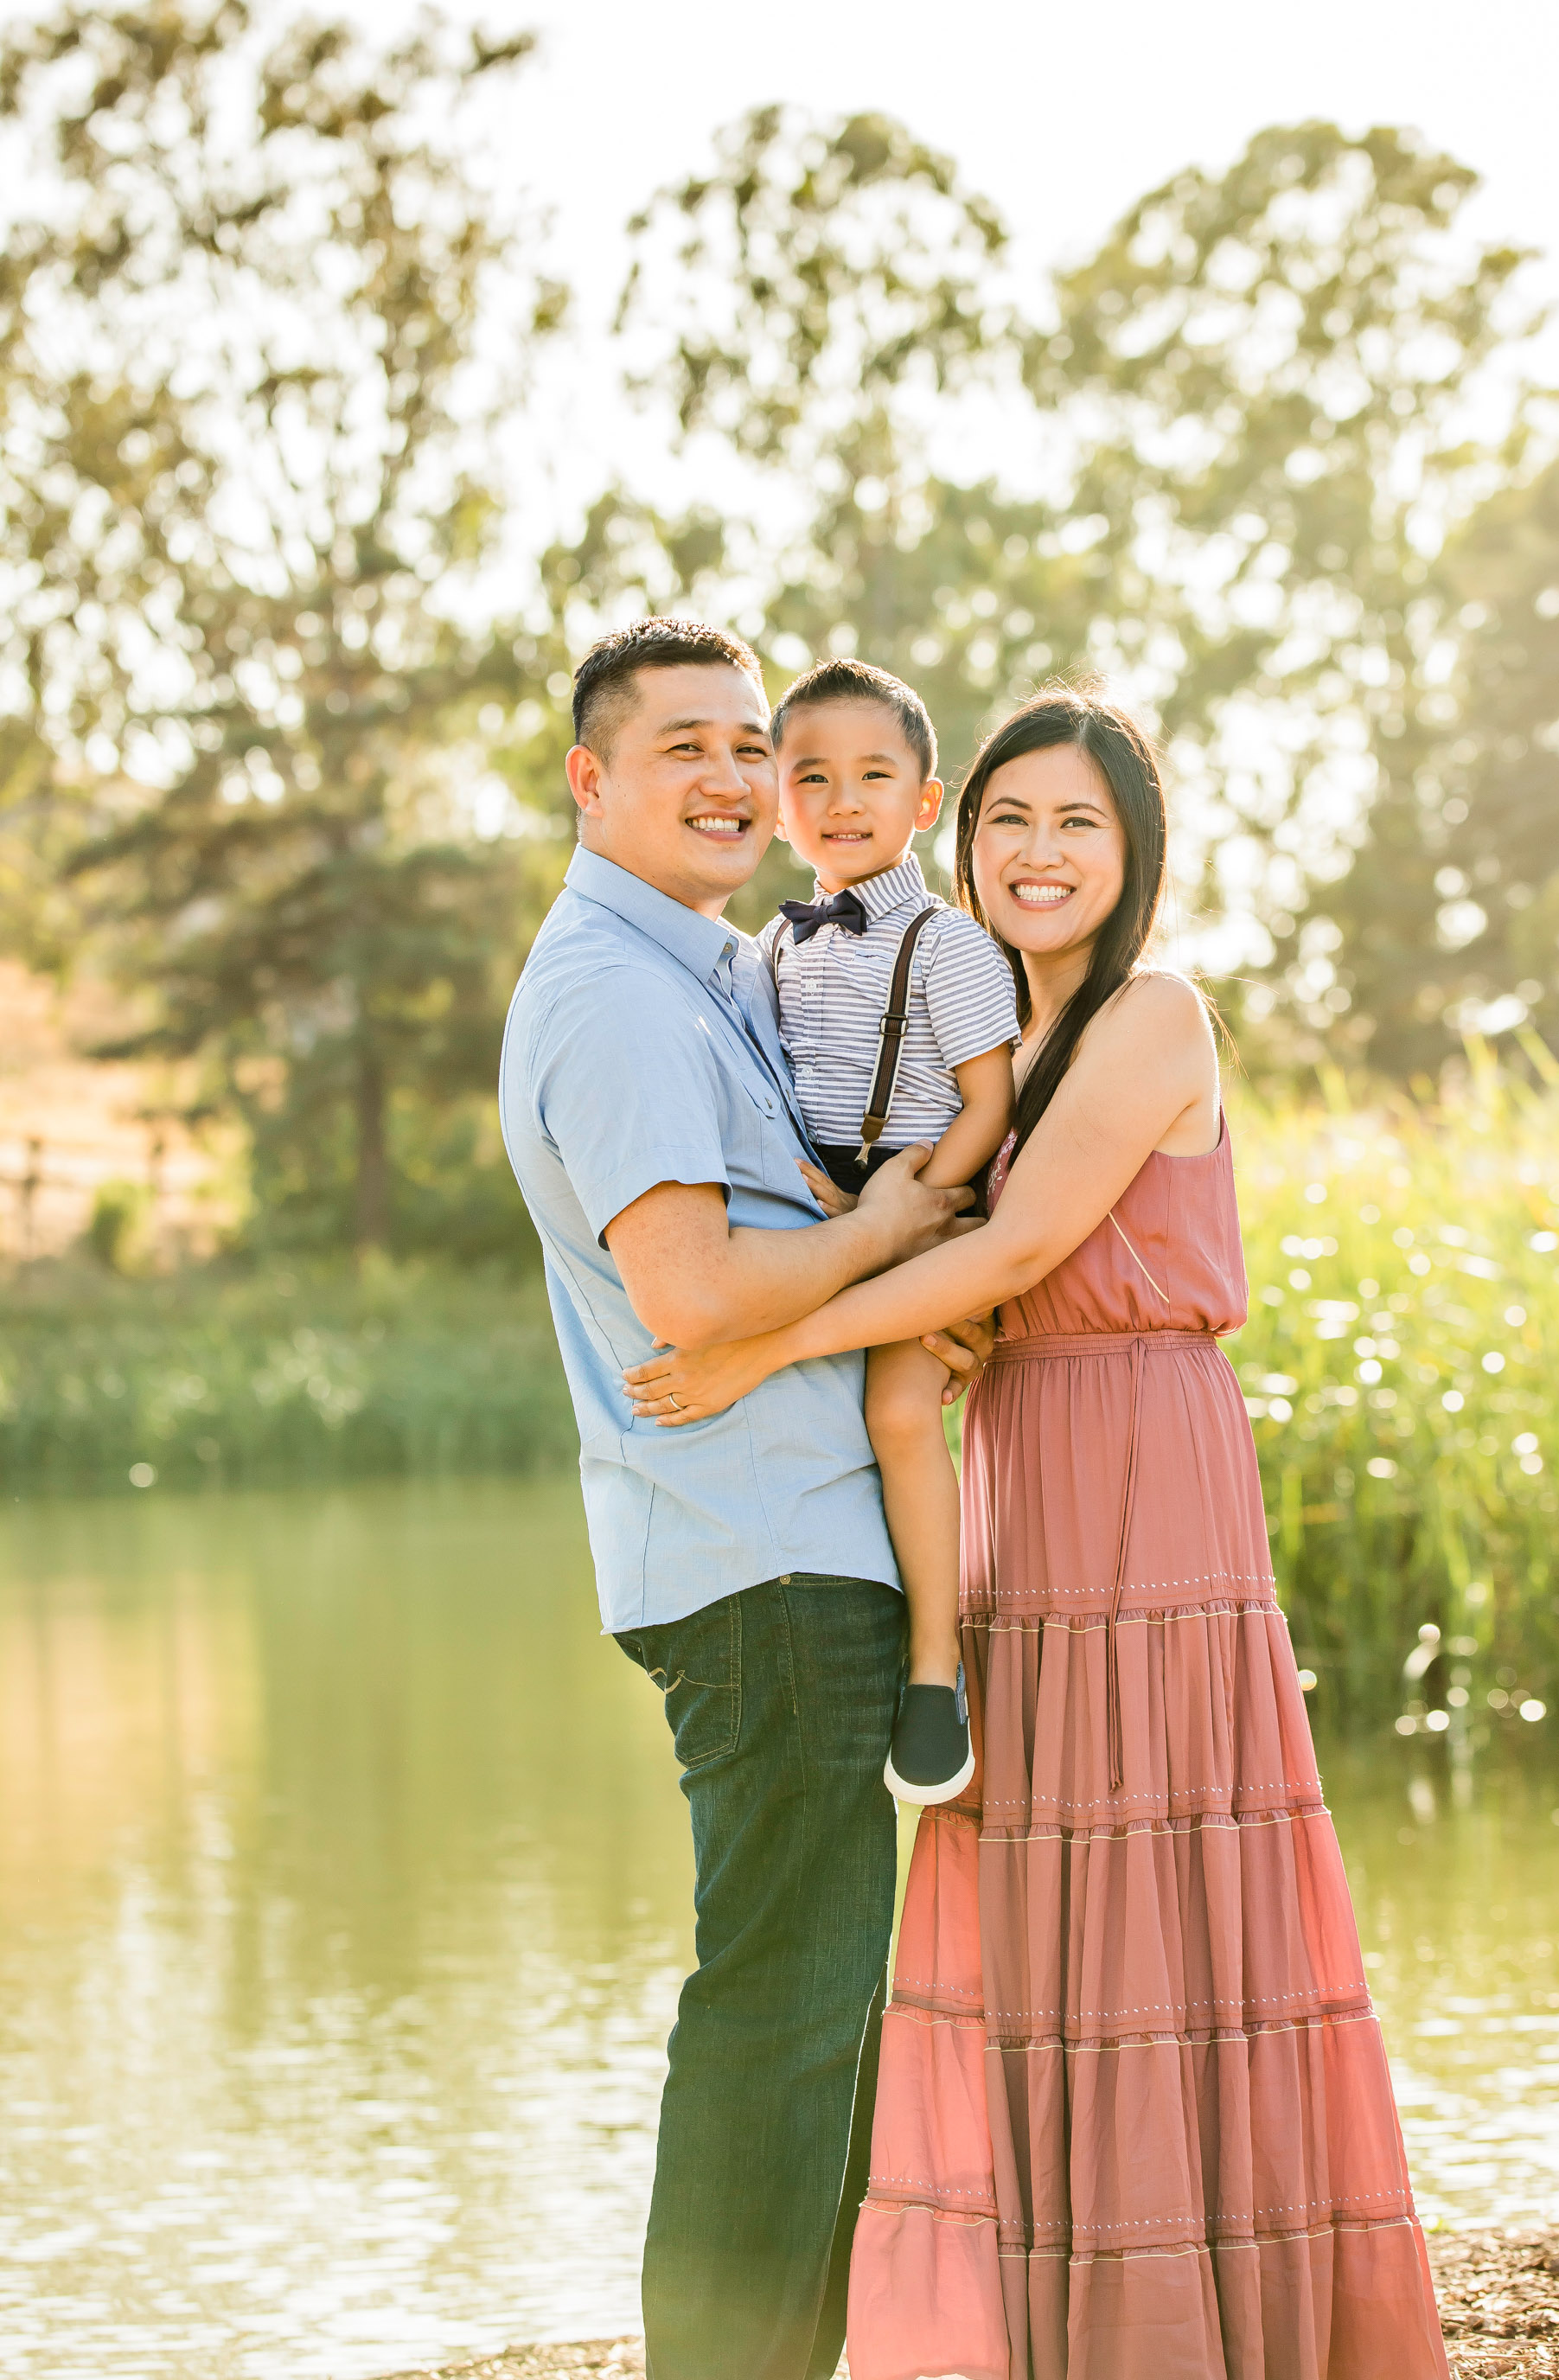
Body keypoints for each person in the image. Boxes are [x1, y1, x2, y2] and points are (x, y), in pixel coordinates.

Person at [625, 684, 1451, 2378]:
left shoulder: (1155, 1018)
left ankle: (1199, 2308)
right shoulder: (986, 1034)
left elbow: (1003, 1258)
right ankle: (1067, 2304)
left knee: (1159, 1864)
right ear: (962, 838)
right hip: (1021, 1479)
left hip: (1147, 1476)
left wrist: (764, 1339)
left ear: (1131, 852)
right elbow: (939, 1244)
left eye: (1076, 822)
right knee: (1043, 1877)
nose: (1037, 851)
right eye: (1008, 820)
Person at [497, 615, 990, 2380]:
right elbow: (695, 1292)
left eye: (740, 745)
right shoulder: (620, 998)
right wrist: (885, 1230)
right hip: (758, 1561)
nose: (726, 778)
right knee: (785, 2013)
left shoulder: (701, 970)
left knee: (803, 2007)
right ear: (590, 780)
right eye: (681, 747)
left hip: (778, 1546)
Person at [769, 658, 1019, 1803]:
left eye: (874, 775)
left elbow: (990, 1099)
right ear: (778, 803)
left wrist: (914, 1214)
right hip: (827, 1210)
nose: (841, 800)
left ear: (926, 800)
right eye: (811, 777)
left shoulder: (952, 944)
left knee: (899, 1409)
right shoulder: (773, 949)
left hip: (926, 1203)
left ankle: (935, 1671)